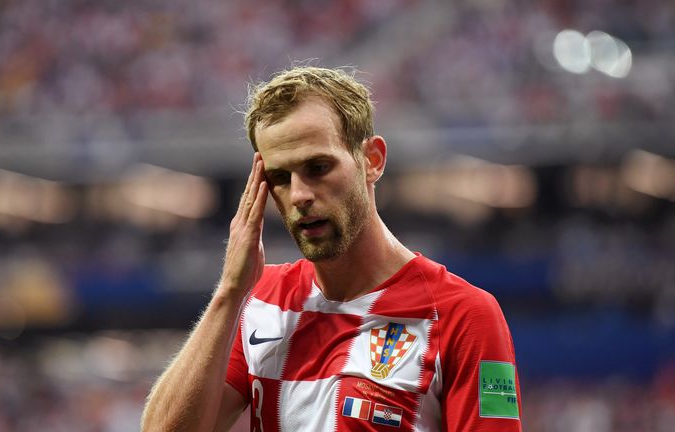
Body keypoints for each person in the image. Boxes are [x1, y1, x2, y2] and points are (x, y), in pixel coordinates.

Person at [141, 66, 522, 431]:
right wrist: (229, 293)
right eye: (280, 178)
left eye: (318, 167)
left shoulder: (464, 315)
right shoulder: (261, 300)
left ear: (372, 160)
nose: (300, 195)